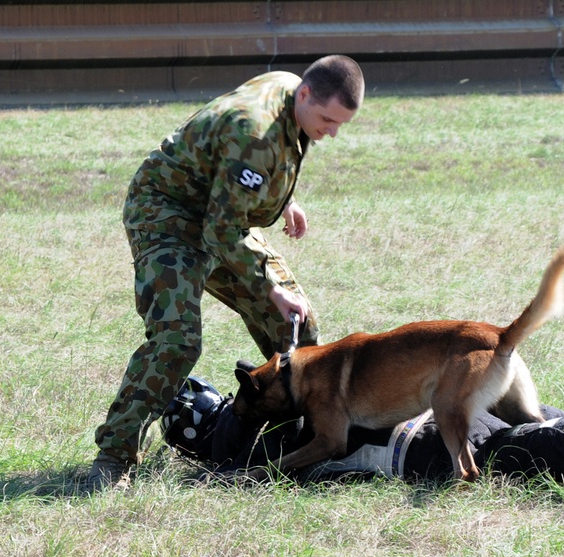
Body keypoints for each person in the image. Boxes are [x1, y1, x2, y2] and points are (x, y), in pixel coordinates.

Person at [88, 56, 366, 491]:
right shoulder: (253, 132)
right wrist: (269, 288)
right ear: (307, 95)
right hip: (168, 217)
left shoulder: (292, 89)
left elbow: (249, 175)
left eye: (340, 125)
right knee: (177, 341)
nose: (331, 132)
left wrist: (281, 199)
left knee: (297, 328)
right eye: (327, 119)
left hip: (223, 215)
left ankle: (287, 450)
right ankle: (114, 457)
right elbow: (220, 230)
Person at [159, 374, 564, 488]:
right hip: (429, 402)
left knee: (502, 453)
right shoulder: (293, 403)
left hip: (406, 448)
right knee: (527, 424)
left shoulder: (254, 451)